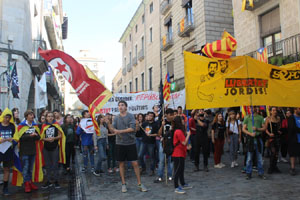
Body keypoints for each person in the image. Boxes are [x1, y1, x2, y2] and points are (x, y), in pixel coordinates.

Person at [106, 101, 147, 193]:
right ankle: (123, 184)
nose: (120, 107)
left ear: (126, 107)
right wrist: (108, 123)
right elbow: (113, 131)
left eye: (122, 105)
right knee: (121, 164)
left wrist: (119, 131)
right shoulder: (116, 118)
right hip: (120, 143)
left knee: (135, 163)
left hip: (130, 143)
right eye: (119, 105)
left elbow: (132, 128)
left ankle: (139, 183)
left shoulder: (130, 116)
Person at [17, 110, 41, 192]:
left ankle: (30, 182)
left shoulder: (35, 126)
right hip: (24, 151)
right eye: (30, 115)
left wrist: (35, 135)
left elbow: (39, 138)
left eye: (32, 115)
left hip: (33, 150)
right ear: (26, 116)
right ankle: (26, 183)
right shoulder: (21, 126)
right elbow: (19, 138)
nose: (32, 116)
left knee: (31, 168)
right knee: (25, 167)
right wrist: (30, 136)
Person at [41, 112, 64, 189]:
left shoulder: (56, 125)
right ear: (46, 117)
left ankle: (56, 181)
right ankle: (48, 180)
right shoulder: (43, 126)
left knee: (55, 165)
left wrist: (54, 138)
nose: (50, 118)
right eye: (49, 116)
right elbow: (40, 137)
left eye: (51, 116)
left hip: (54, 147)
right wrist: (46, 139)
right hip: (46, 147)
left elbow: (60, 135)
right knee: (47, 165)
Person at [242, 106, 266, 180]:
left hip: (258, 139)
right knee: (249, 158)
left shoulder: (260, 117)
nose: (251, 109)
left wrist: (257, 129)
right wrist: (250, 133)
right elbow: (243, 129)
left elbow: (264, 128)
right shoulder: (247, 117)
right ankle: (248, 173)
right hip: (251, 140)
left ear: (256, 109)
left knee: (259, 158)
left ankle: (261, 173)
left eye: (252, 108)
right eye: (250, 108)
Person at [172, 116, 192, 194]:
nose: (183, 121)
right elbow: (184, 142)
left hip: (181, 153)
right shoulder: (178, 131)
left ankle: (183, 183)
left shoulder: (179, 131)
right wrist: (188, 135)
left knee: (181, 170)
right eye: (182, 120)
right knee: (177, 171)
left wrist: (187, 147)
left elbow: (182, 143)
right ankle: (176, 186)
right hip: (178, 154)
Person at [154, 108, 174, 183]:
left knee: (171, 161)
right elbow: (158, 134)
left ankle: (170, 176)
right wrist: (162, 126)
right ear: (166, 115)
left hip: (171, 143)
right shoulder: (161, 122)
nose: (172, 116)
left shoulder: (174, 122)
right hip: (163, 142)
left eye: (173, 115)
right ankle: (160, 176)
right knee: (161, 160)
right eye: (170, 115)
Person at [0, 108, 16, 195]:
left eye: (9, 118)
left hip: (8, 150)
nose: (7, 119)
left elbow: (16, 137)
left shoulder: (12, 126)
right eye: (5, 117)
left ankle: (5, 188)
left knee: (7, 169)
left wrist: (12, 139)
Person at [139, 112, 159, 176]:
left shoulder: (156, 124)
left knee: (152, 157)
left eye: (151, 116)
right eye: (149, 115)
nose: (150, 117)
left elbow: (157, 134)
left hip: (151, 143)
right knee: (140, 155)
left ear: (153, 117)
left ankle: (152, 170)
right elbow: (139, 132)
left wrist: (151, 135)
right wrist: (138, 126)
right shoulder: (144, 123)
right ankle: (143, 167)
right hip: (144, 141)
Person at [265, 107, 282, 174]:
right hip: (270, 138)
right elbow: (265, 129)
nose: (275, 111)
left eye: (275, 110)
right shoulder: (268, 119)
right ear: (271, 111)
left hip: (277, 137)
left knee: (277, 153)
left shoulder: (278, 118)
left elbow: (279, 127)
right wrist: (269, 133)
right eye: (273, 110)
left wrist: (278, 131)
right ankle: (270, 167)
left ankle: (275, 166)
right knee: (273, 152)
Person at [287, 107, 300, 176]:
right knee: (293, 154)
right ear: (295, 109)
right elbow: (292, 127)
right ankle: (292, 168)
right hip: (294, 138)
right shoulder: (291, 118)